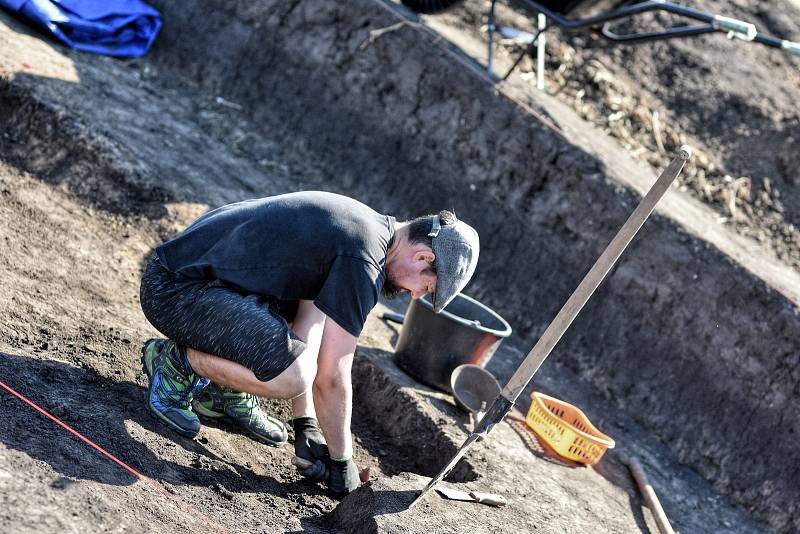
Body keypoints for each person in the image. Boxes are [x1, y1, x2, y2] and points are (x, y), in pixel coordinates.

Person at [138, 191, 479, 496]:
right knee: (291, 376)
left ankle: (225, 391)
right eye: (427, 289)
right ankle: (178, 363)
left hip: (203, 288)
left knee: (294, 358)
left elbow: (308, 326)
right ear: (423, 258)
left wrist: (307, 424)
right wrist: (342, 460)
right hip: (174, 291)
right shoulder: (363, 260)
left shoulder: (365, 232)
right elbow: (332, 375)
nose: (415, 295)